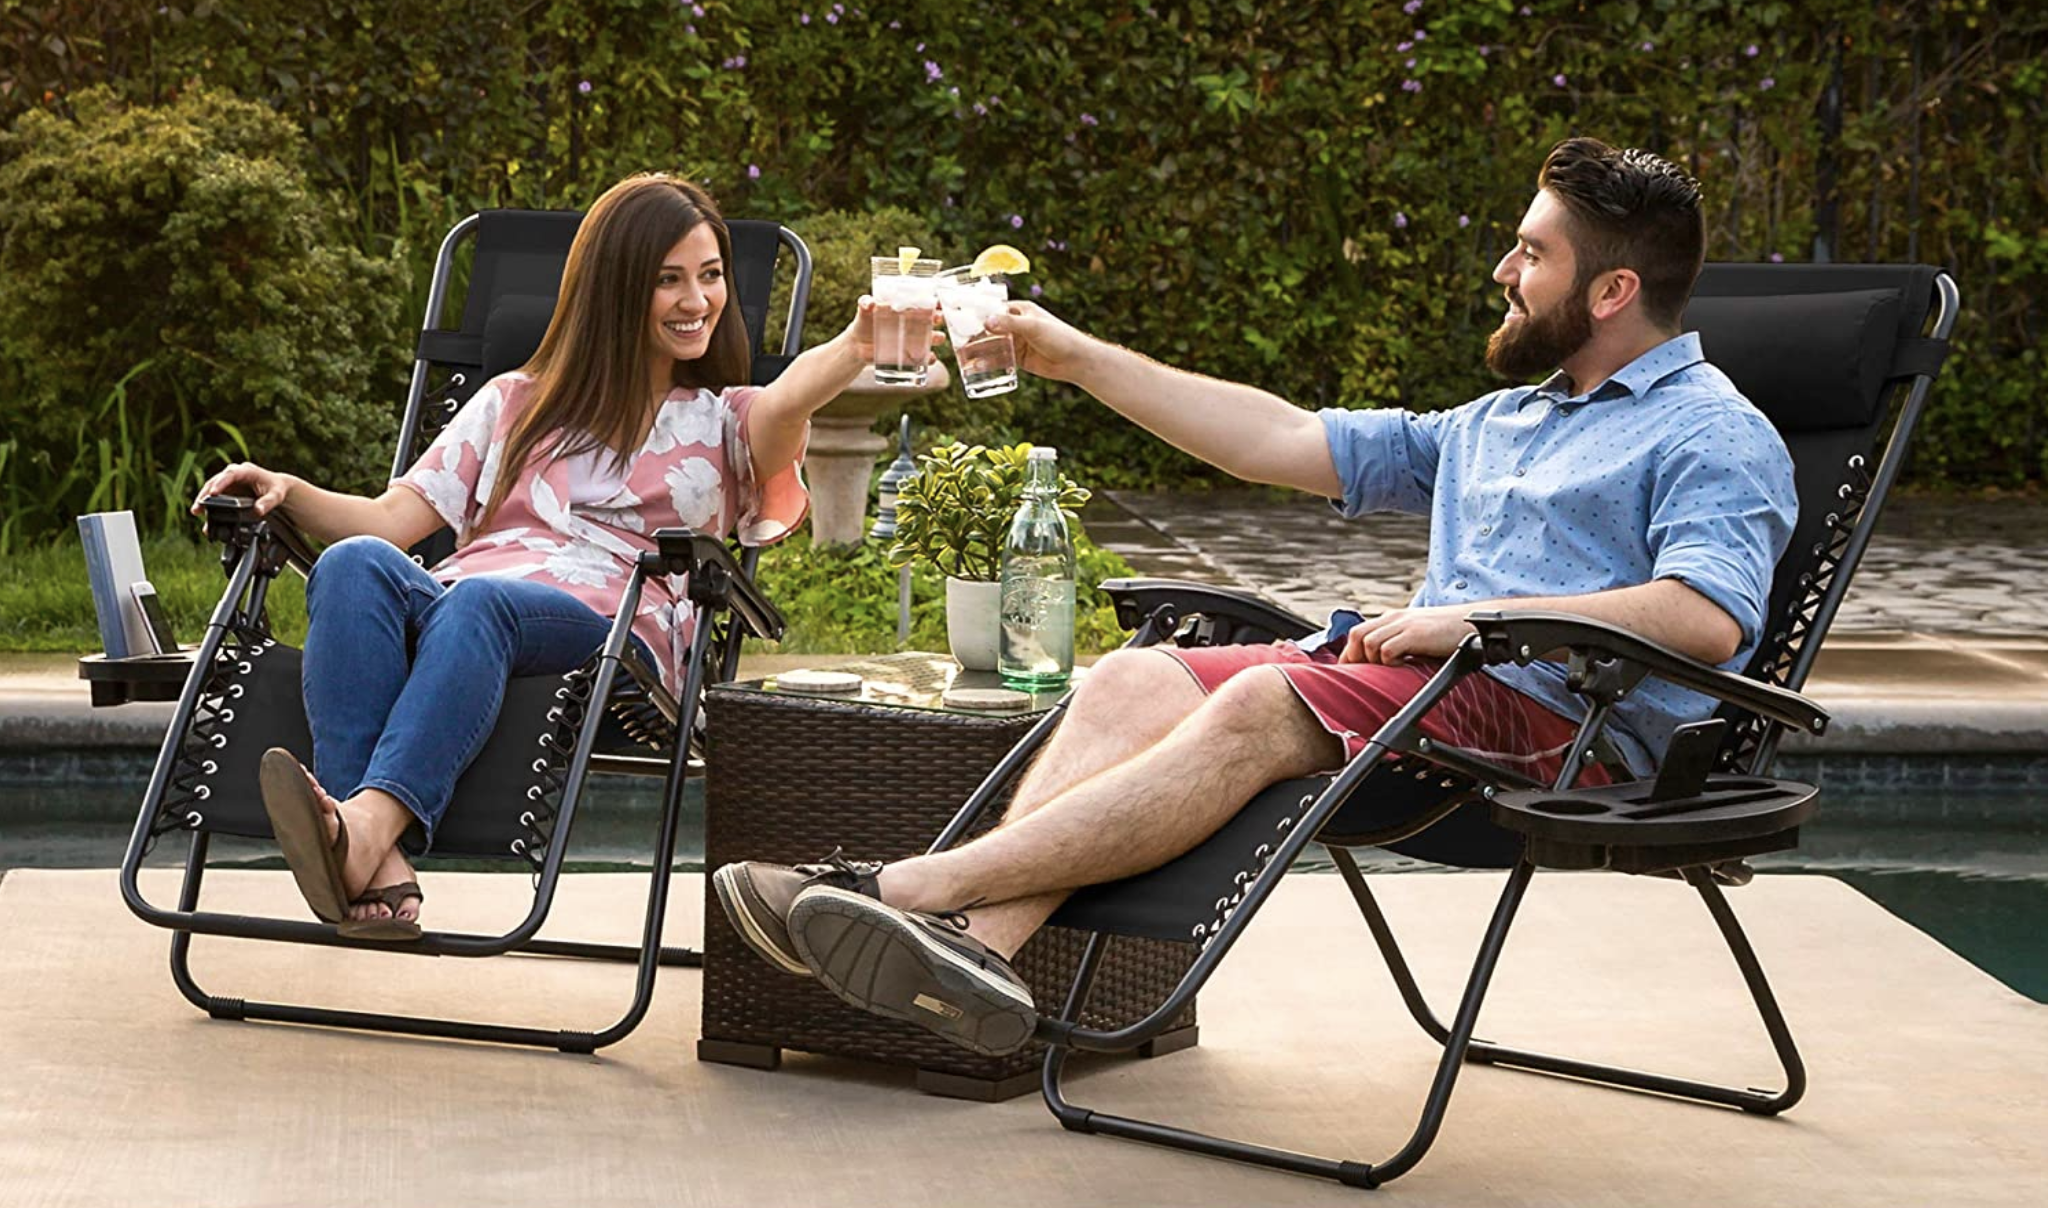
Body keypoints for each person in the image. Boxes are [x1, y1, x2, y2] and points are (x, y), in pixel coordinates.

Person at [714, 137, 1798, 1059]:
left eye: (1532, 251)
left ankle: (891, 889)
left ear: (1610, 292)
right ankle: (977, 952)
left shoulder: (1710, 430)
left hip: (1566, 729)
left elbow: (1703, 613)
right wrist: (1066, 354)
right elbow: (1274, 438)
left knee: (1263, 700)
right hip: (1421, 694)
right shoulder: (1500, 420)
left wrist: (1477, 623)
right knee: (1140, 671)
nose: (1505, 268)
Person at [194, 173, 894, 941]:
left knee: (476, 601)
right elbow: (389, 520)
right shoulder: (514, 402)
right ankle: (370, 845)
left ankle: (360, 825)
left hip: (611, 631)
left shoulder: (722, 420)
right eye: (668, 280)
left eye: (710, 275)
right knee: (351, 563)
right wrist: (288, 489)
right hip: (466, 607)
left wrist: (860, 343)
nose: (697, 300)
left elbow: (790, 398)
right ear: (615, 288)